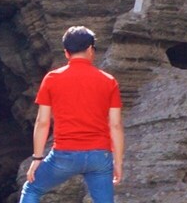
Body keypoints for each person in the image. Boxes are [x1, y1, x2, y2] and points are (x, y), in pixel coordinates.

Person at [20, 26, 124, 203]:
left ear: (66, 53)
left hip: (64, 155)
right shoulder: (108, 81)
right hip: (99, 156)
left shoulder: (52, 79)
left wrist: (37, 158)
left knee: (32, 189)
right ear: (91, 49)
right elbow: (115, 125)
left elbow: (43, 122)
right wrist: (118, 162)